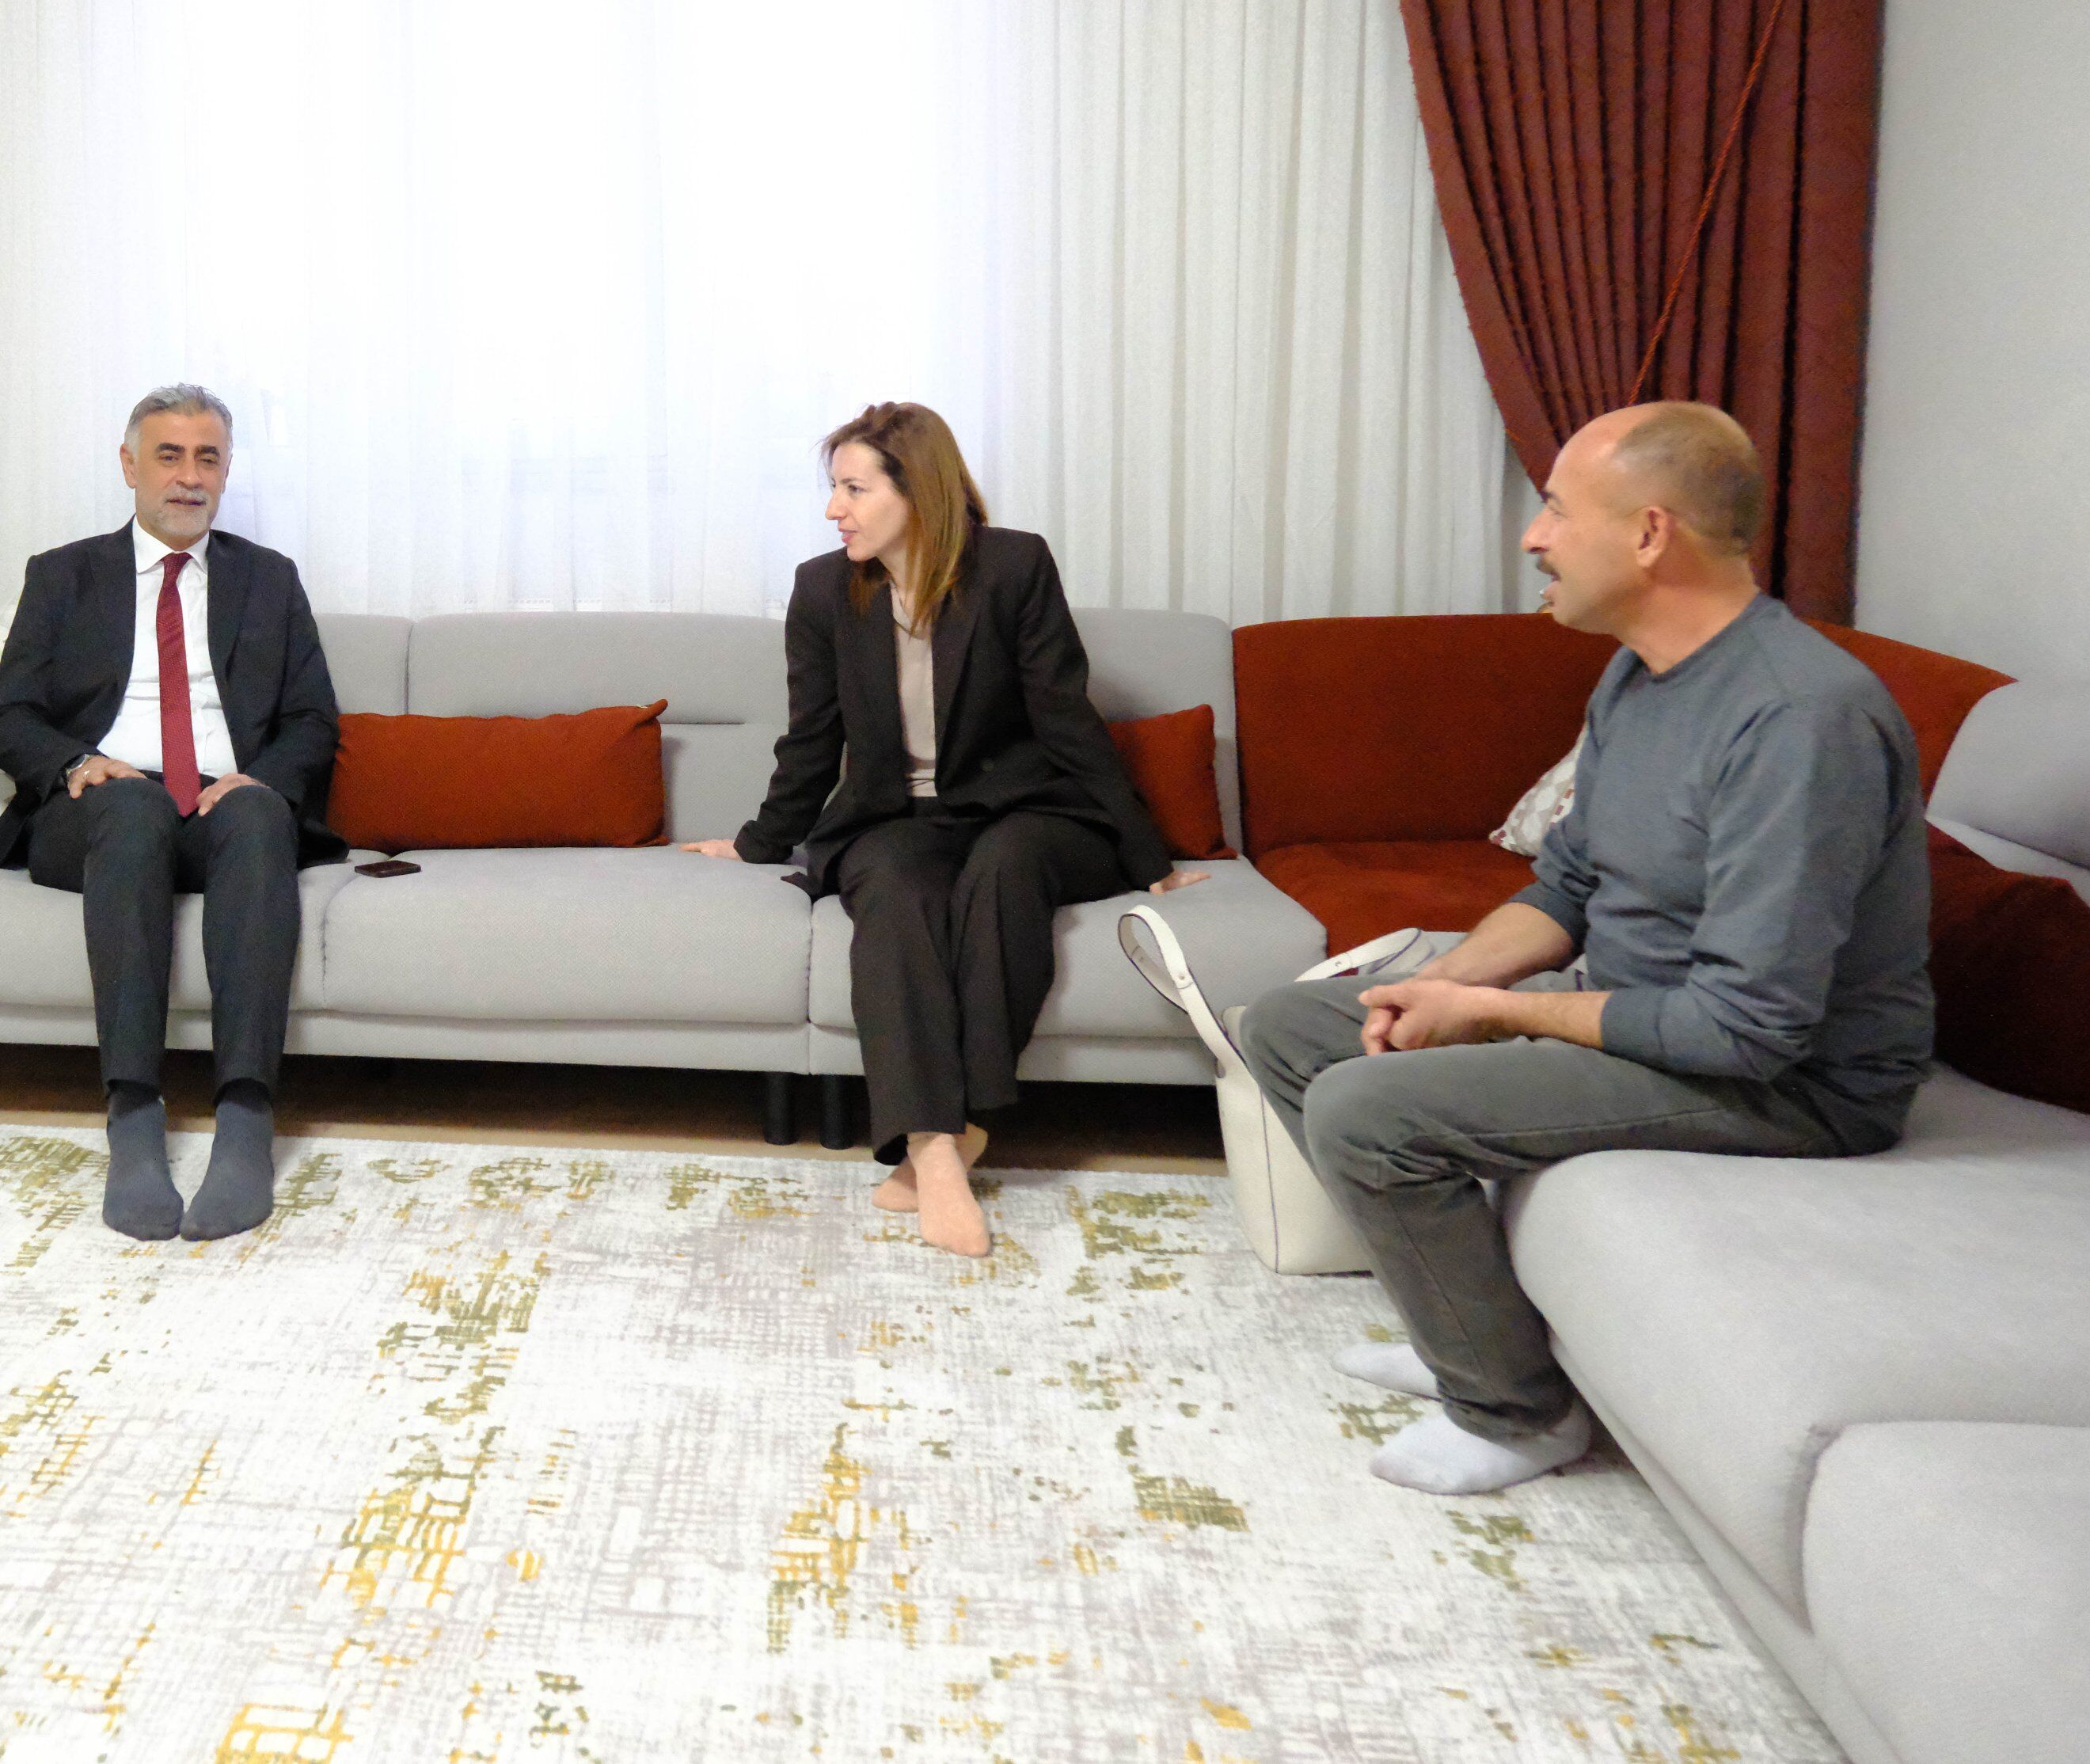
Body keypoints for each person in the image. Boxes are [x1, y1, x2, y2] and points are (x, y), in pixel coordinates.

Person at [1241, 402, 1933, 1496]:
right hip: (1641, 1008)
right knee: (1291, 1025)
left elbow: (1748, 1028)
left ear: (1650, 533)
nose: (1535, 537)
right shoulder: (1638, 674)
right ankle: (1463, 1328)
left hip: (1796, 1082)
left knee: (1365, 1111)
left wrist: (1494, 1011)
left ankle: (1517, 1413)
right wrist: (1437, 983)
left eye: (1558, 509)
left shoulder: (1799, 718)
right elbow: (1569, 883)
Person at [686, 403, 1204, 1256]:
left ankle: (959, 1124)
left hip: (1028, 808)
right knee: (893, 890)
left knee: (1005, 869)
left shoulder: (1013, 567)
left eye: (853, 489)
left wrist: (1150, 856)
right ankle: (935, 1148)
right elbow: (812, 737)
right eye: (834, 490)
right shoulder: (823, 589)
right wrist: (756, 842)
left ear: (916, 490)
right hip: (900, 816)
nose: (834, 510)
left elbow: (1067, 717)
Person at [0, 385, 341, 1242]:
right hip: (99, 807)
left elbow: (312, 721)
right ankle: (134, 1118)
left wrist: (256, 779)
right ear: (129, 465)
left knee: (260, 816)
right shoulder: (63, 575)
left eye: (207, 458)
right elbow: (7, 717)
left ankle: (245, 1121)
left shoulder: (268, 579)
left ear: (226, 471)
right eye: (169, 456)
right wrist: (78, 762)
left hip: (220, 801)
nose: (189, 477)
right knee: (134, 807)